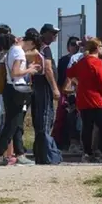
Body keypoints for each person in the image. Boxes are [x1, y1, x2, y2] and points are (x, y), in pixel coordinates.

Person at [0, 31, 39, 166]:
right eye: (32, 46)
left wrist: (27, 67)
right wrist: (29, 70)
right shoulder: (19, 52)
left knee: (16, 123)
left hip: (9, 88)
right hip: (17, 89)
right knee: (12, 123)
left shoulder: (12, 50)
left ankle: (19, 154)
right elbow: (16, 72)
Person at [66, 37, 102, 162]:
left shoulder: (82, 61)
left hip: (83, 99)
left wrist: (78, 83)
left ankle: (87, 153)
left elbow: (69, 73)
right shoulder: (98, 62)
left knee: (87, 127)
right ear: (97, 48)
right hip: (97, 99)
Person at [28, 25, 62, 164]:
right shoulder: (45, 49)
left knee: (38, 120)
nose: (55, 36)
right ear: (44, 34)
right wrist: (54, 88)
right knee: (46, 118)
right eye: (52, 33)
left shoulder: (33, 49)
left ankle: (40, 153)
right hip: (44, 87)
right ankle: (46, 153)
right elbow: (47, 68)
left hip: (35, 86)